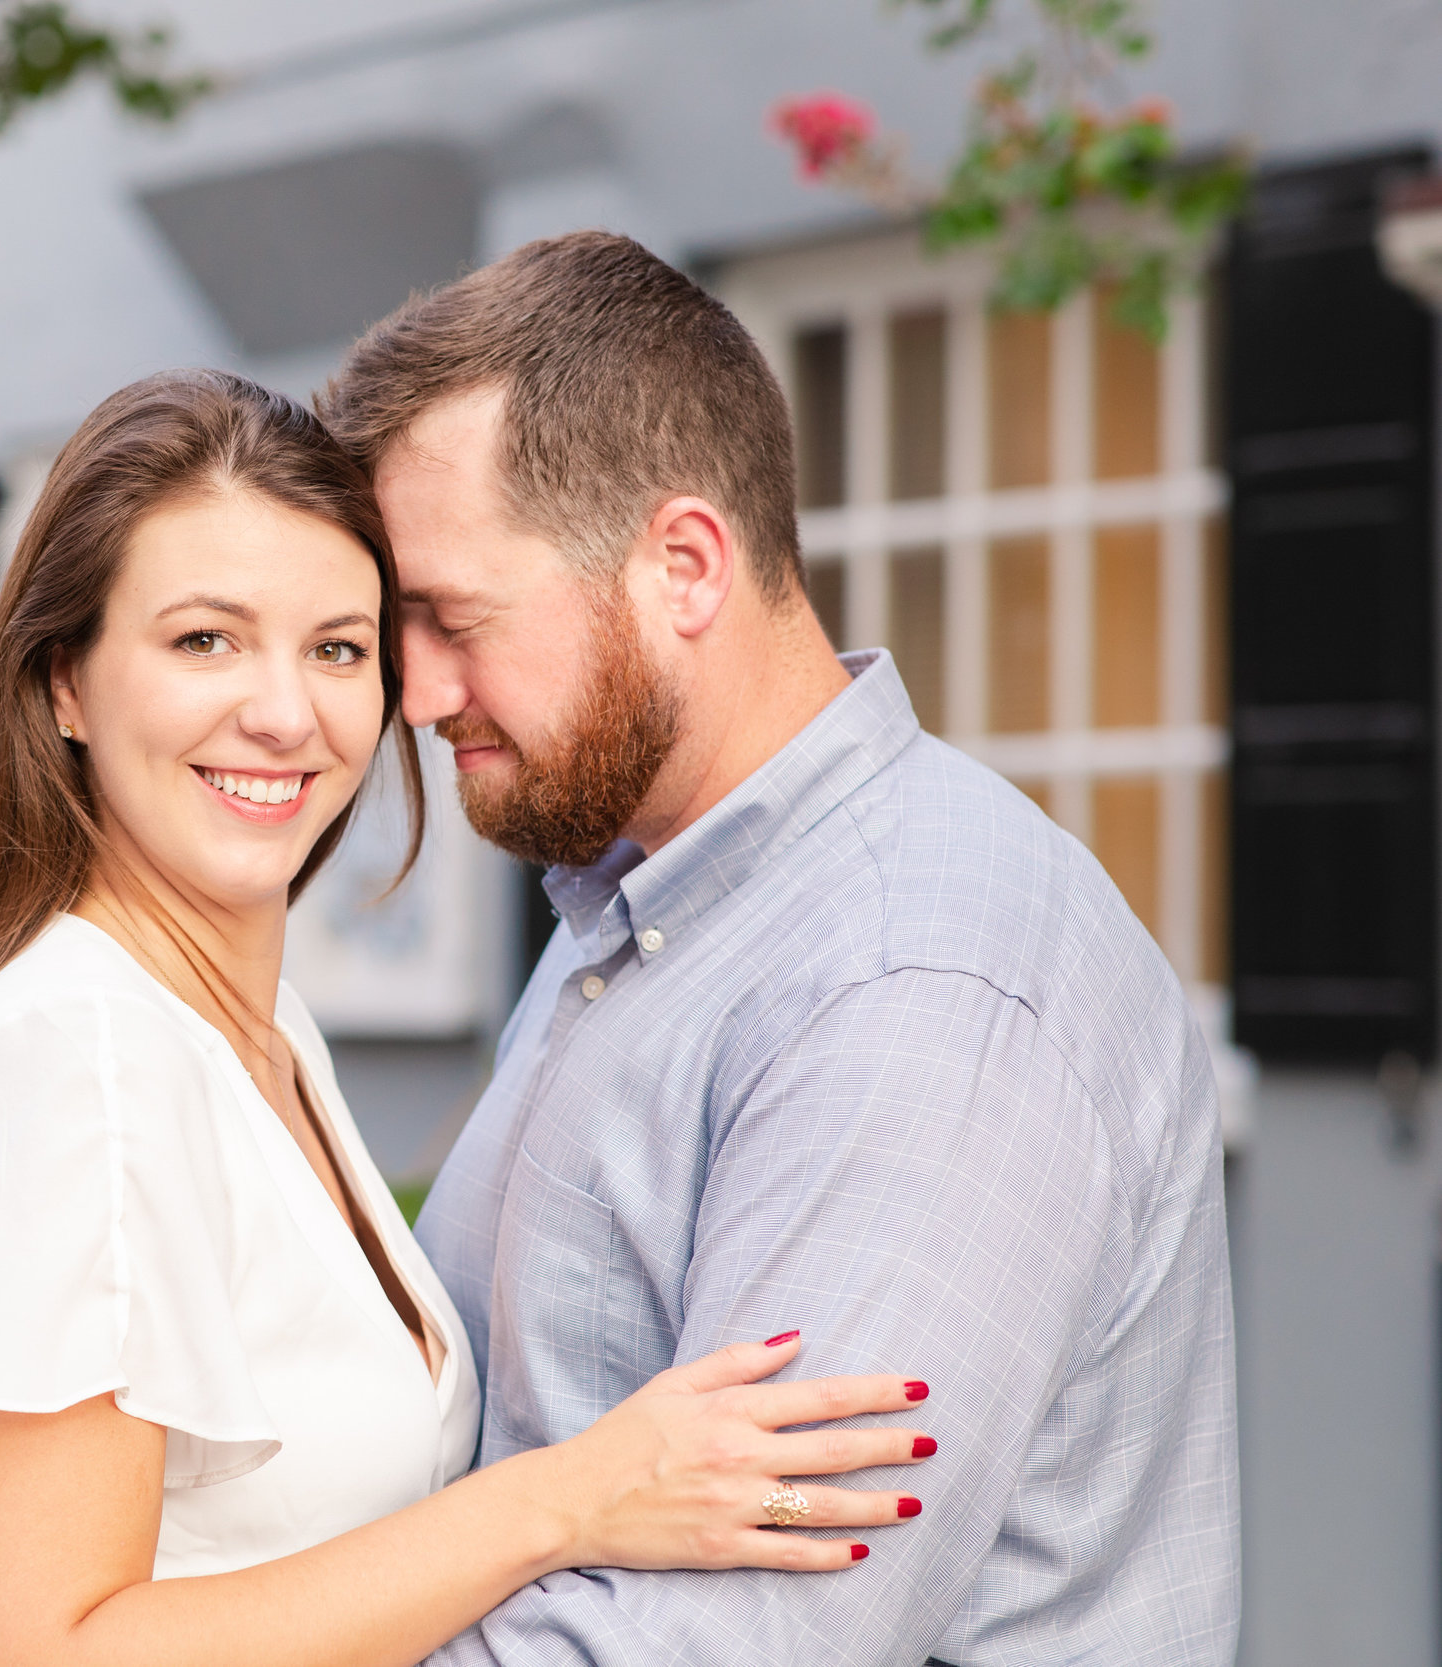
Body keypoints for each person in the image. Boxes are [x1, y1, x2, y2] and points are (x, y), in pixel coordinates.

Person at [0, 368, 939, 1667]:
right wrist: (569, 1496)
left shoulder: (259, 1037)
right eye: (204, 639)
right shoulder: (75, 1057)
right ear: (65, 686)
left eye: (337, 648)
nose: (284, 712)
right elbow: (39, 1653)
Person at [316, 231, 1240, 1665]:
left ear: (684, 565)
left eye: (453, 617)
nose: (415, 692)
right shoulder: (634, 907)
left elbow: (726, 1647)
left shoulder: (914, 992)